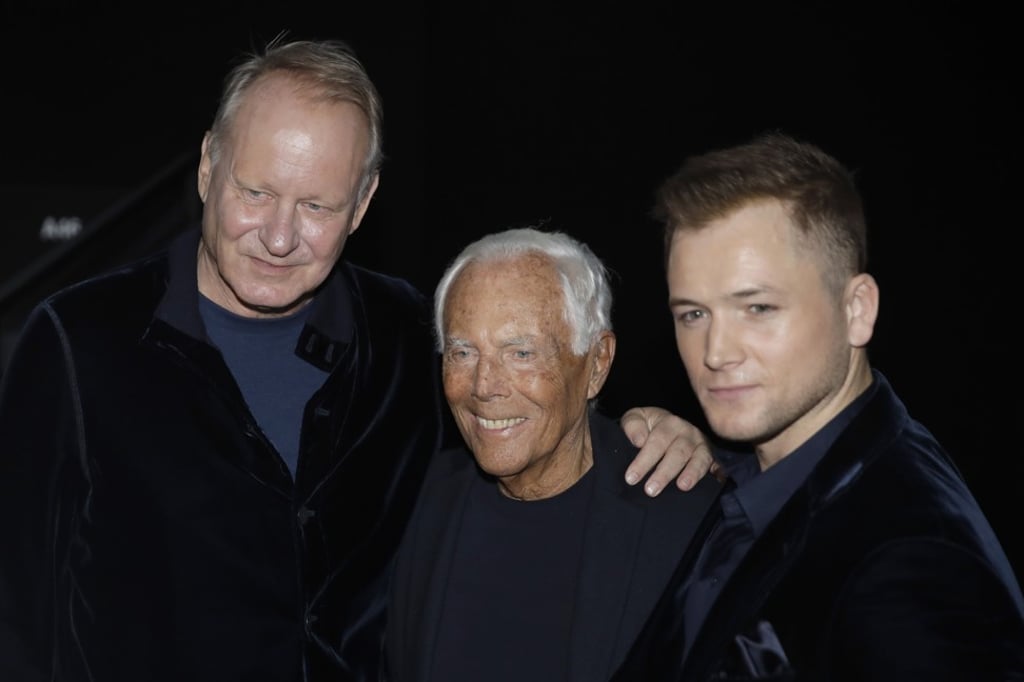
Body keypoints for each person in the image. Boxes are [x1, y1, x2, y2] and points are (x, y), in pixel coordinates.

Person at [0, 37, 711, 681]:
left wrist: (640, 431)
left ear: (364, 202)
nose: (279, 237)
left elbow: (515, 423)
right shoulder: (78, 340)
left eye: (316, 205)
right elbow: (19, 615)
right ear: (209, 165)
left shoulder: (408, 334)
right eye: (257, 193)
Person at [612, 132, 1024, 681]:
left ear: (857, 309)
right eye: (692, 314)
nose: (715, 353)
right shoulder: (760, 473)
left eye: (756, 307)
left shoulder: (908, 563)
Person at [384, 227, 721, 681]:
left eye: (521, 353)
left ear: (597, 362)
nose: (484, 387)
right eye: (463, 352)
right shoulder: (413, 500)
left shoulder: (685, 522)